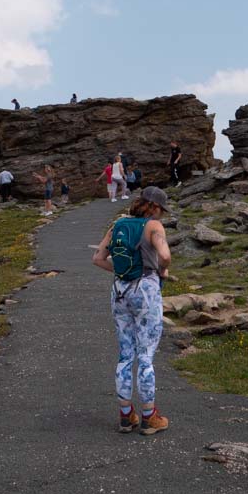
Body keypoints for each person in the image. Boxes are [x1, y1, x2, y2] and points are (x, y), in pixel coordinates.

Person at [92, 186, 173, 435]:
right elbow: (165, 255)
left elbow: (97, 258)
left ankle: (126, 416)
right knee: (146, 356)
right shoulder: (153, 227)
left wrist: (119, 272)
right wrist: (161, 271)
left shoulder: (117, 226)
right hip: (145, 291)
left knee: (125, 354)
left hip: (120, 291)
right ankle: (150, 417)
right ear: (155, 207)